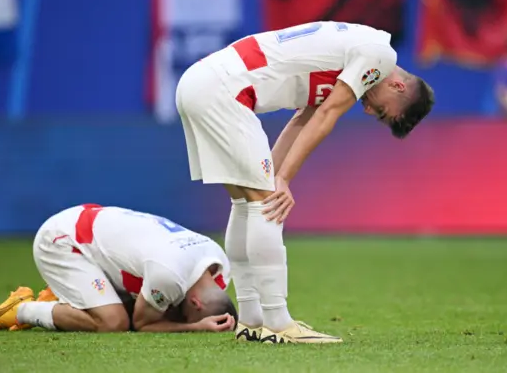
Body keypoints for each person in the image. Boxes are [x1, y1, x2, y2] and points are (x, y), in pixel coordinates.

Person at [176, 21, 435, 344]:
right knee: (265, 204)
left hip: (200, 83)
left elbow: (304, 118)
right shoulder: (379, 55)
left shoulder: (350, 52)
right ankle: (279, 323)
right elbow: (327, 115)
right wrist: (280, 179)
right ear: (397, 86)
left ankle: (252, 320)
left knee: (246, 203)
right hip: (224, 91)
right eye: (381, 111)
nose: (368, 110)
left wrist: (274, 176)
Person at [0, 204, 237, 334]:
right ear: (196, 303)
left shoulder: (219, 261)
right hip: (64, 240)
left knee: (156, 305)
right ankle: (21, 310)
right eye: (188, 315)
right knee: (114, 322)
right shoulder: (168, 274)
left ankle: (63, 300)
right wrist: (193, 327)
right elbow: (143, 323)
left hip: (91, 228)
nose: (183, 319)